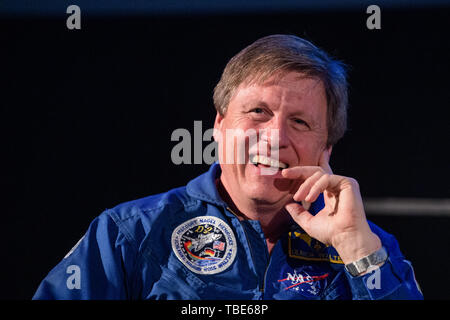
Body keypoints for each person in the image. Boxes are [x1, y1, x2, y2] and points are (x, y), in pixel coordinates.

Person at [33, 34, 423, 300]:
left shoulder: (369, 248)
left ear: (326, 148)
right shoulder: (129, 233)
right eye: (258, 112)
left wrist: (356, 249)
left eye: (300, 122)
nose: (273, 137)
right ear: (220, 126)